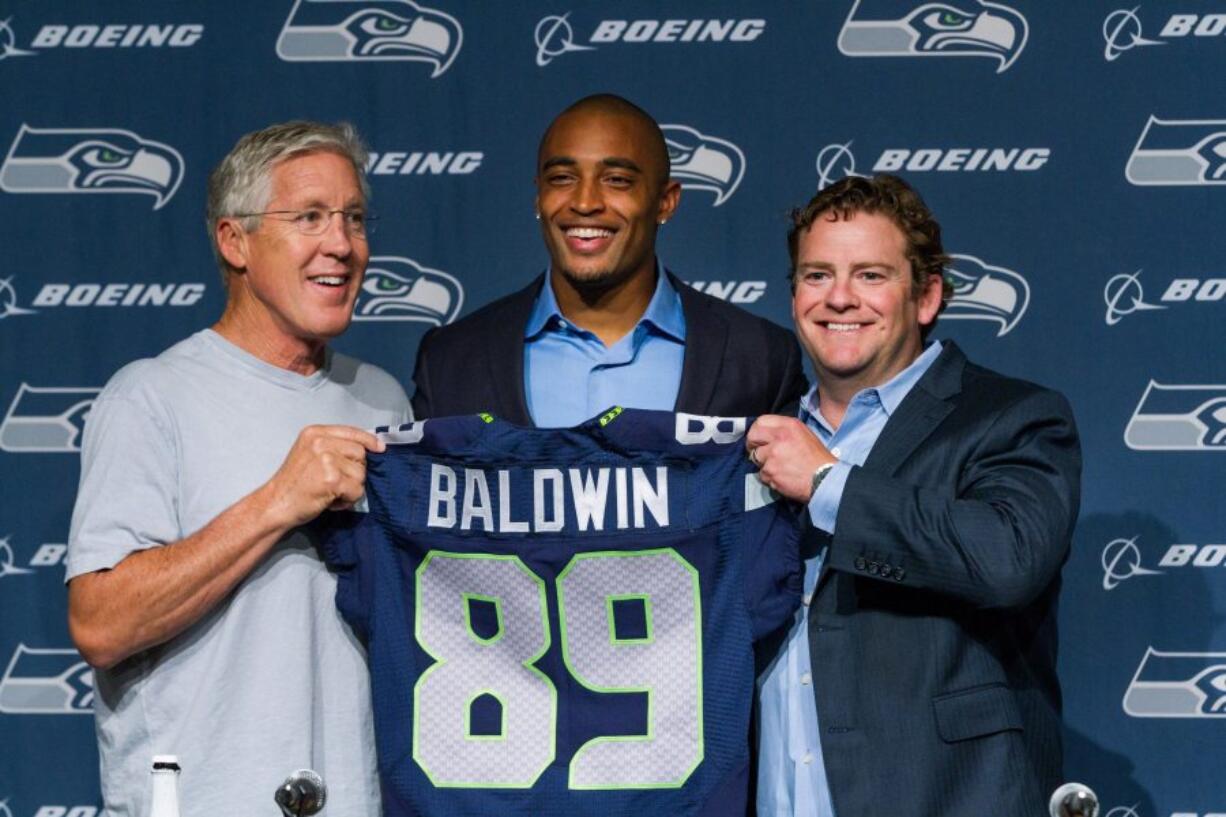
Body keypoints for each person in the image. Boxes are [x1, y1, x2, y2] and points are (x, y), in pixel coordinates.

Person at [65, 121, 410, 817]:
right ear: (235, 241)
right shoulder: (150, 397)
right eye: (309, 217)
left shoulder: (383, 398)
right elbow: (99, 623)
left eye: (353, 219)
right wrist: (279, 500)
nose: (341, 244)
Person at [746, 174, 1081, 817]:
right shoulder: (762, 434)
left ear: (926, 296)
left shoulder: (1013, 417)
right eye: (816, 276)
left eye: (870, 275)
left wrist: (827, 484)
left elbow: (1007, 557)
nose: (839, 299)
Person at [410, 93, 806, 425]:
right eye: (562, 178)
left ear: (665, 202)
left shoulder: (759, 357)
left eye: (617, 180)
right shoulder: (450, 360)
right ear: (538, 197)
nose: (584, 203)